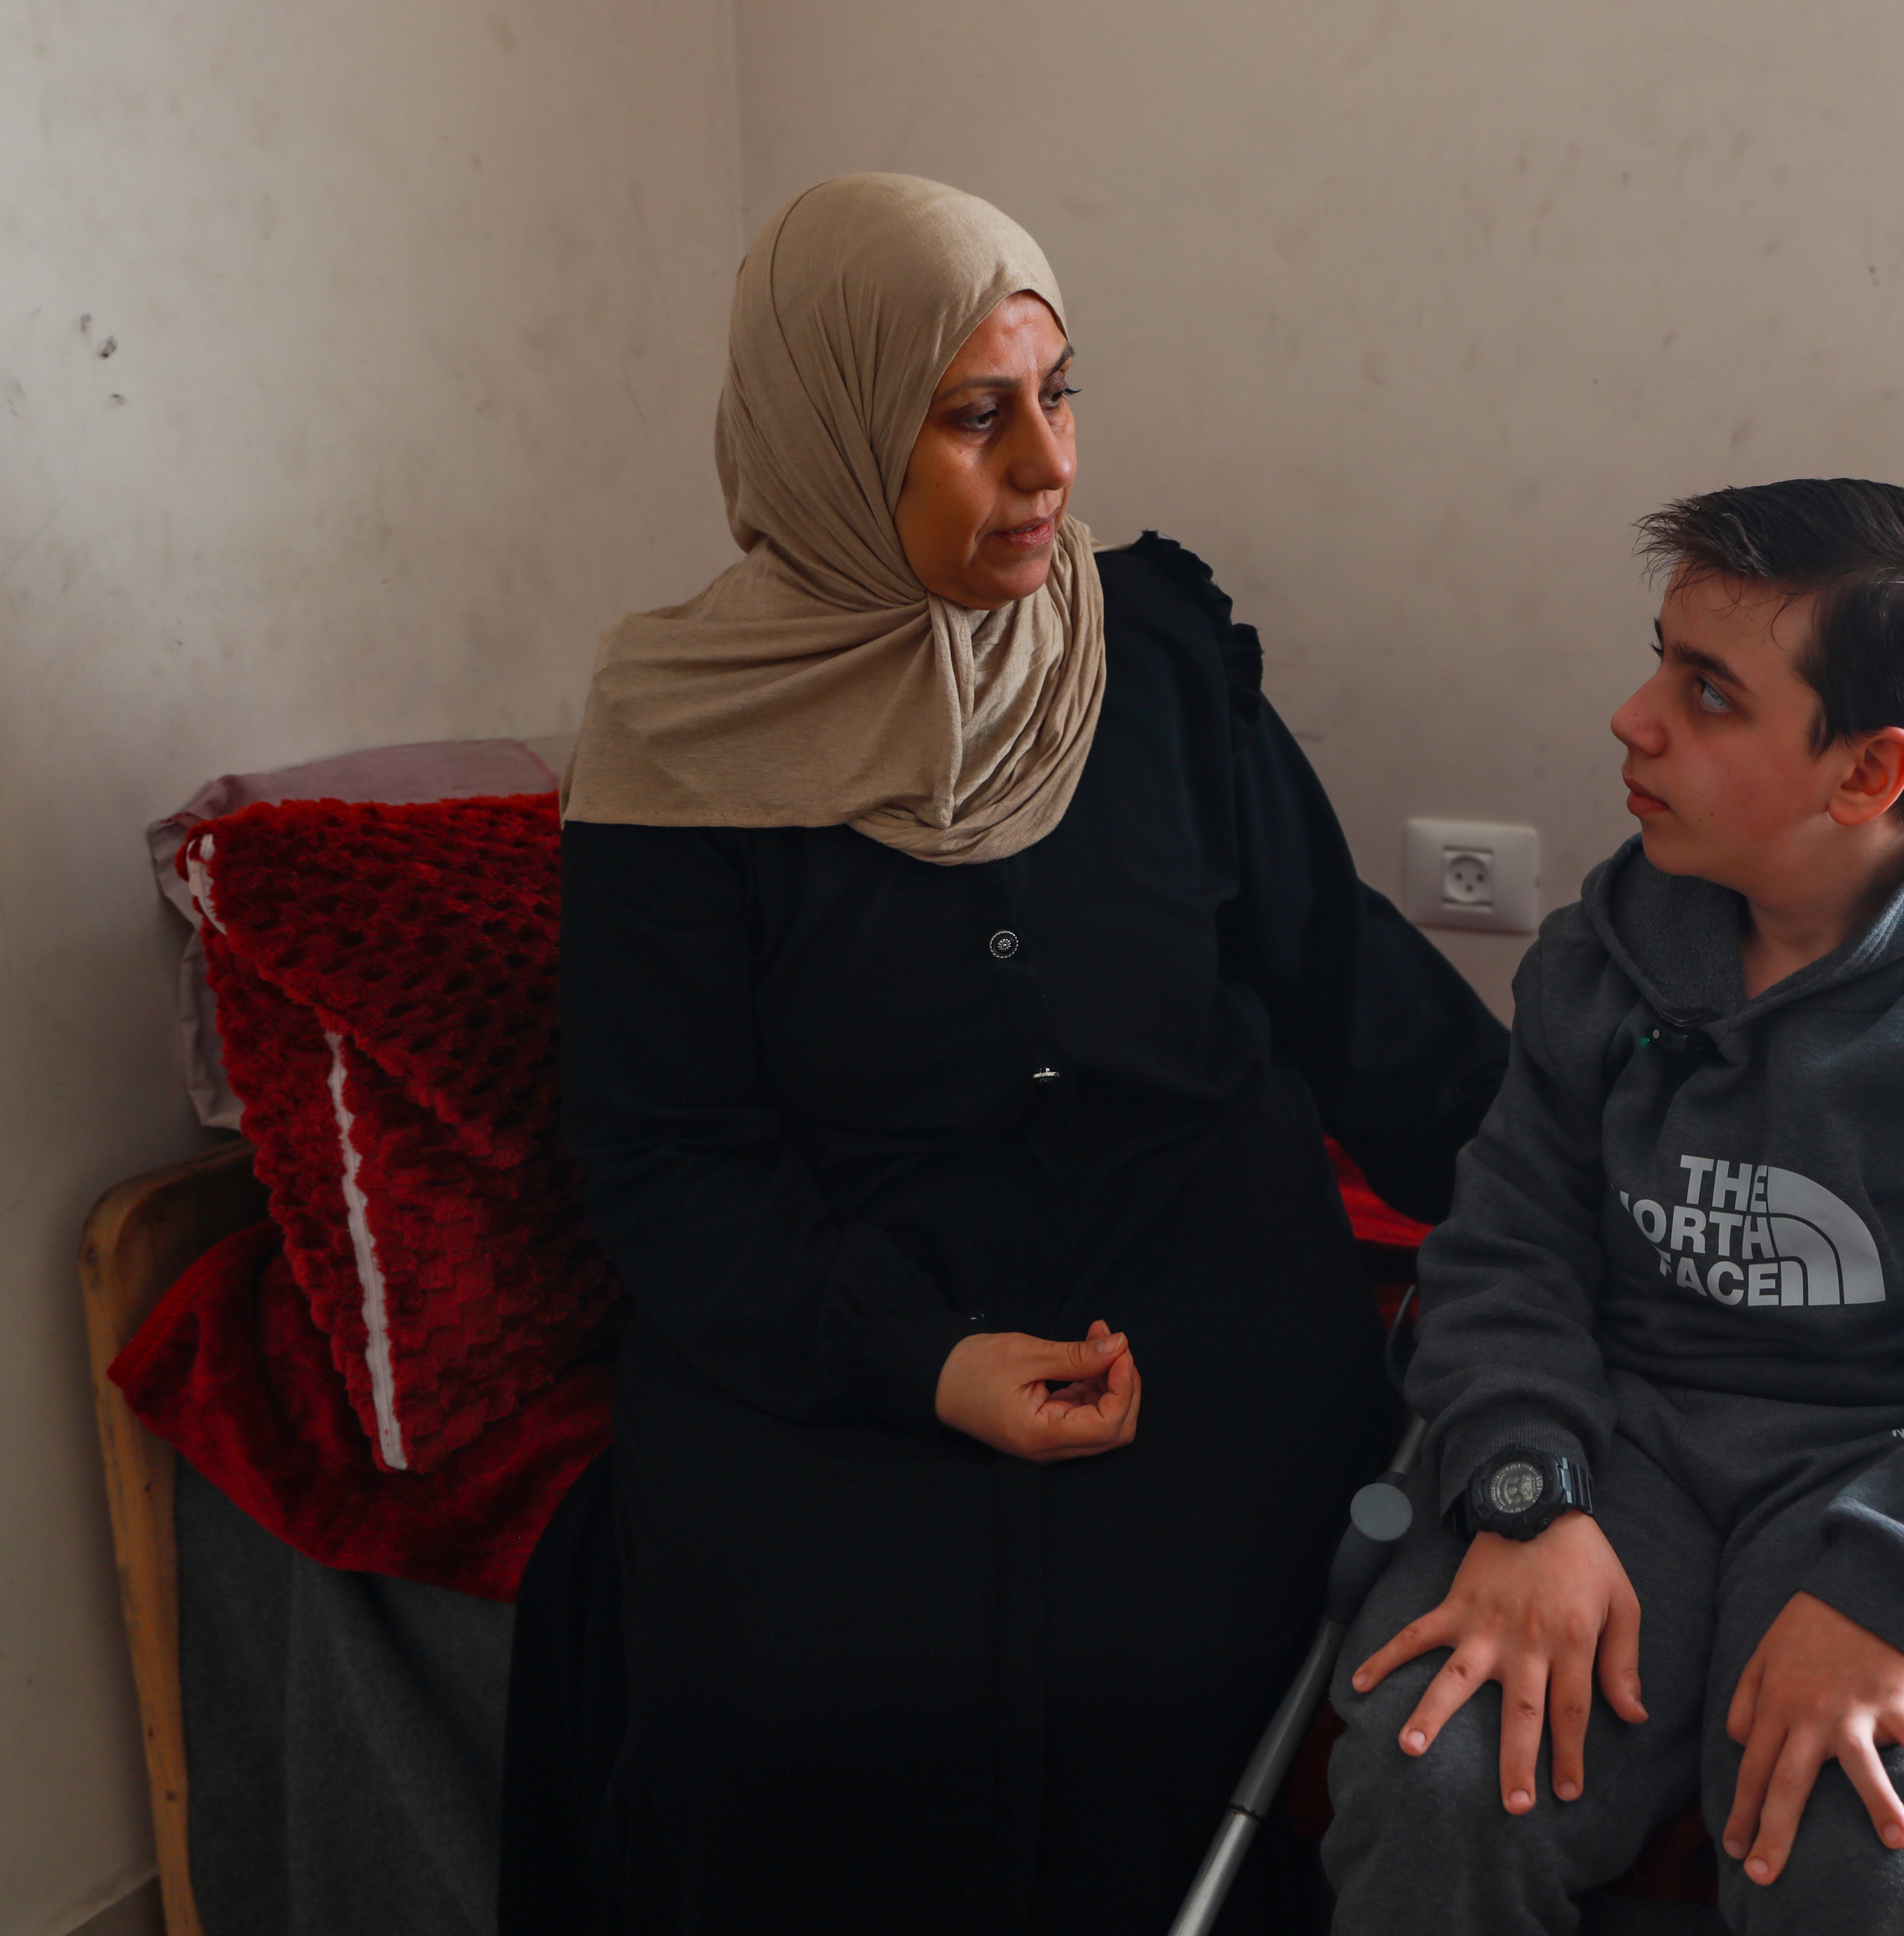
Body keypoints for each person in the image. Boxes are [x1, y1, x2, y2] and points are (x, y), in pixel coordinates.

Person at [500, 175, 1508, 1936]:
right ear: (833, 433)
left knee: (1197, 1652)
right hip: (843, 1297)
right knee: (763, 1693)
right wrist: (924, 1360)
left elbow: (1354, 994)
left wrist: (1596, 1215)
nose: (1047, 464)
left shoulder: (1158, 660)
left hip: (1200, 1273)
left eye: (1059, 396)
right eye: (975, 416)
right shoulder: (677, 748)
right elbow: (666, 1153)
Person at [1321, 480, 1904, 1934]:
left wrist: (1889, 1599)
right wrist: (1529, 1492)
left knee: (1866, 1864)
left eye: (1709, 692)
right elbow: (1504, 1256)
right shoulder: (1601, 960)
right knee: (1440, 1793)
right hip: (1626, 1445)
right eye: (1661, 656)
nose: (1634, 716)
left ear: (1865, 775)